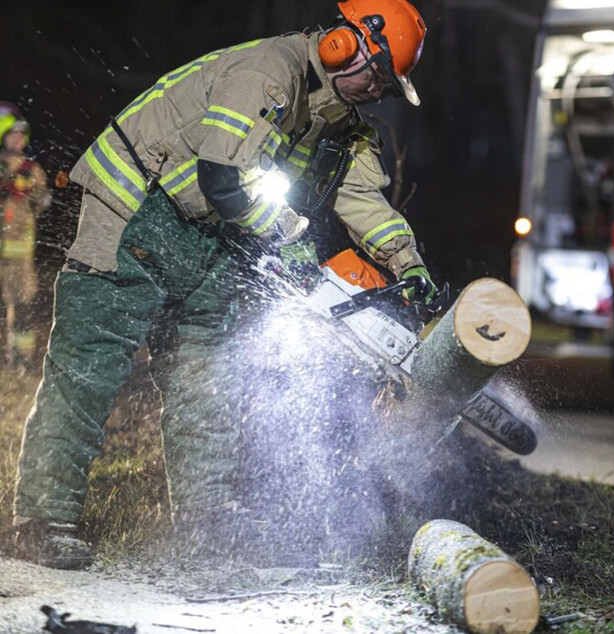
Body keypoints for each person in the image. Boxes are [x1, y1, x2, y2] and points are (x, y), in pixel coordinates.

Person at [13, 0, 433, 570]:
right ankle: (43, 519)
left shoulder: (338, 118)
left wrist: (407, 264)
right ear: (345, 44)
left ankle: (206, 522)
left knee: (207, 380)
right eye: (377, 76)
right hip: (137, 206)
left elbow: (359, 197)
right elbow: (220, 174)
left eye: (387, 85)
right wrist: (282, 236)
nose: (377, 91)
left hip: (211, 234)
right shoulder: (268, 70)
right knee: (90, 366)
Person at [0, 105, 50, 367]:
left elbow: (42, 201)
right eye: (12, 134)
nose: (17, 139)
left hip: (21, 255)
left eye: (21, 134)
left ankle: (22, 358)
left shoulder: (32, 171)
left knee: (24, 305)